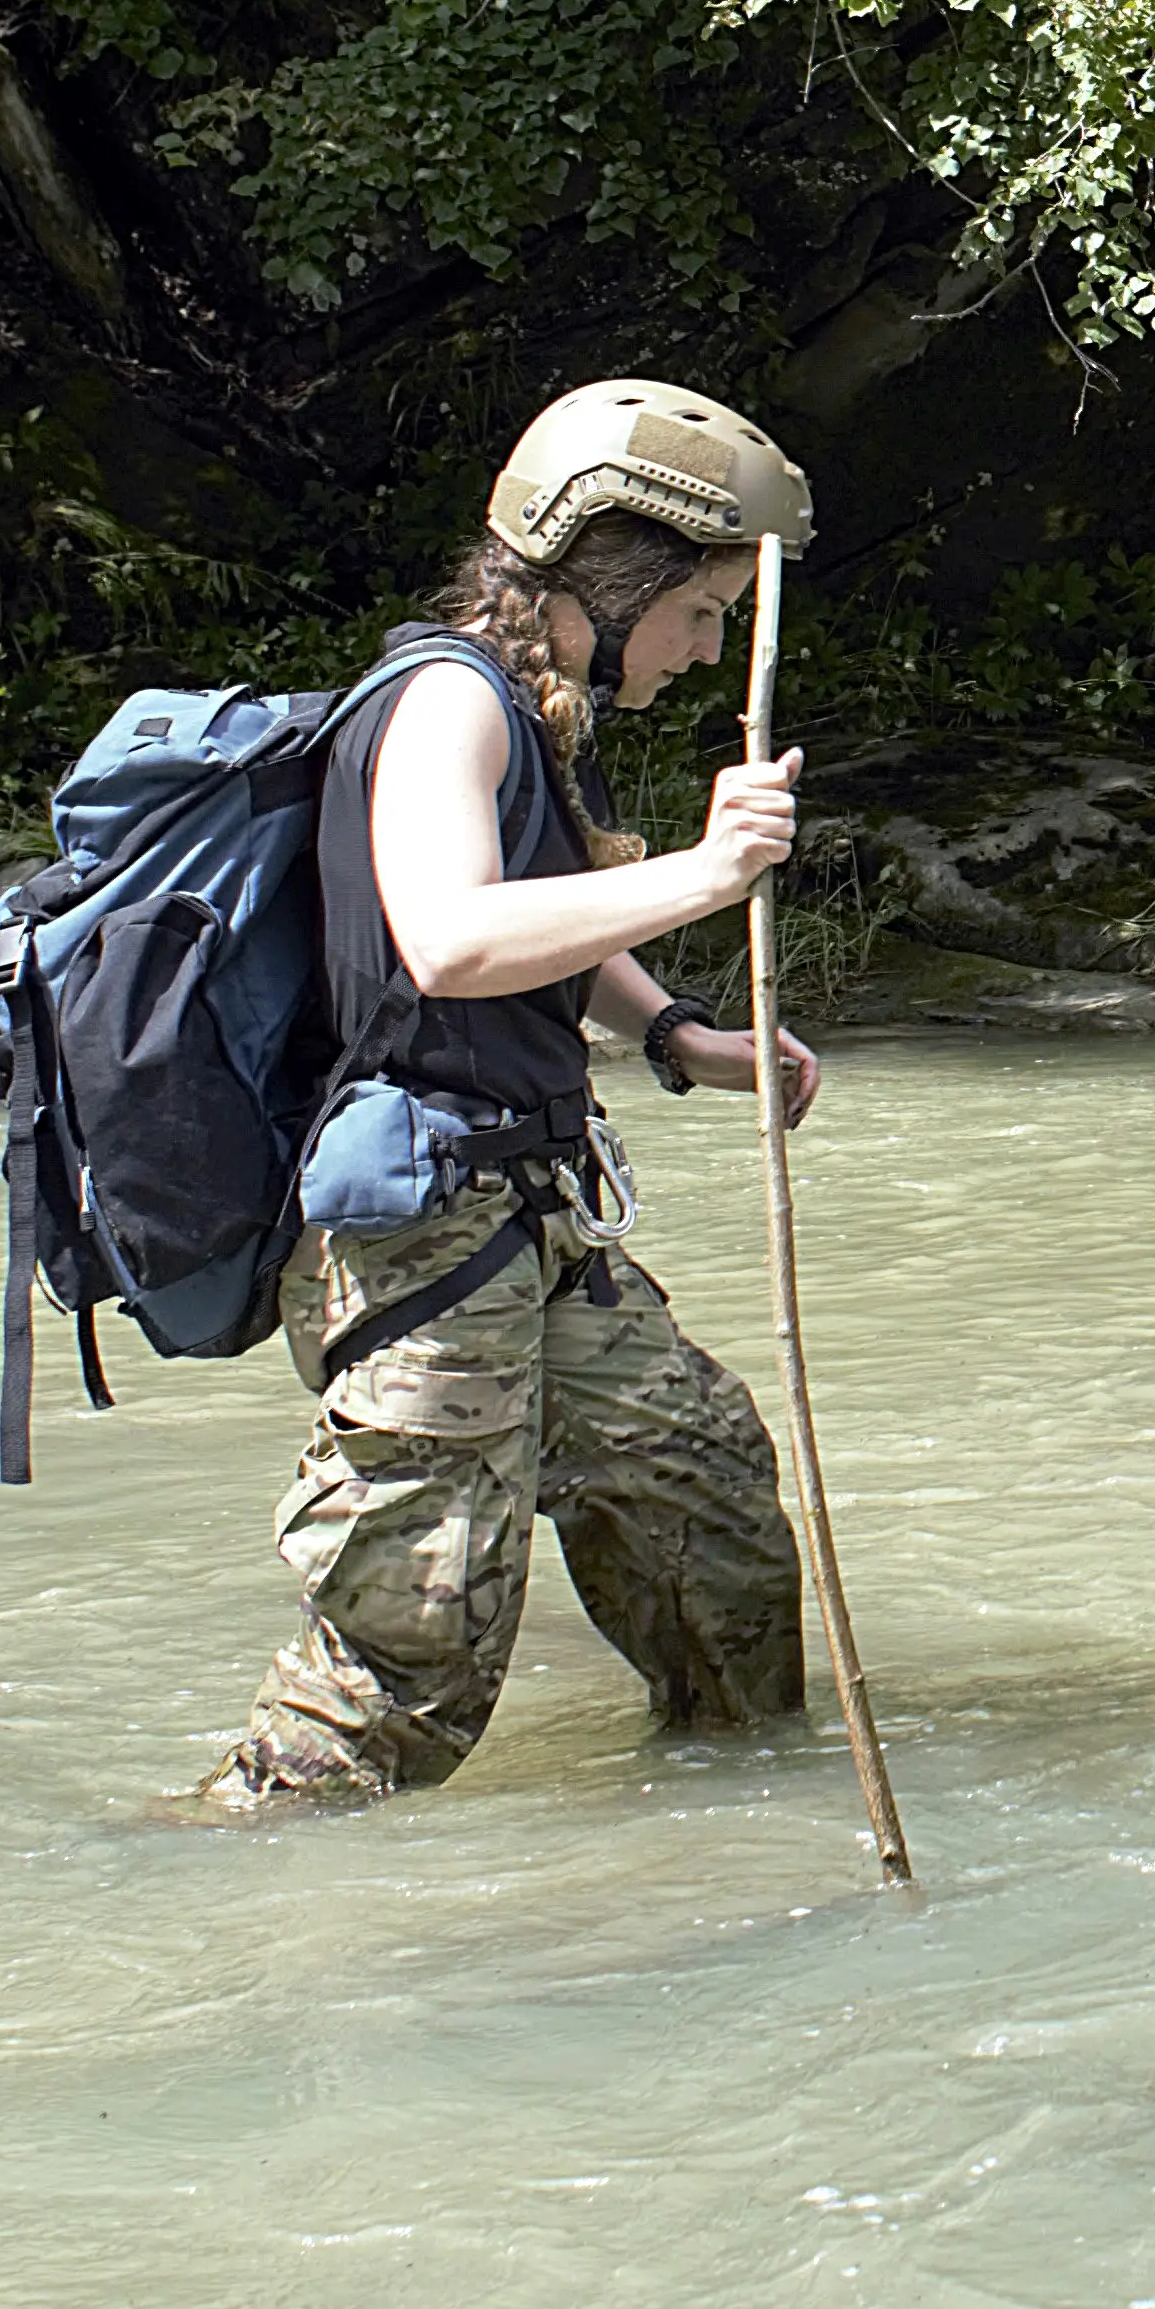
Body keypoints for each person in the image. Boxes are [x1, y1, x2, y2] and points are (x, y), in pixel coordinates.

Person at [195, 381, 832, 1811]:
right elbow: (452, 936)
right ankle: (210, 1893)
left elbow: (544, 919)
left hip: (527, 1221)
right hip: (425, 1240)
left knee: (708, 1511)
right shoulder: (444, 704)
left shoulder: (535, 715)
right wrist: (713, 878)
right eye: (701, 613)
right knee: (408, 1671)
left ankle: (737, 1834)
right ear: (619, 578)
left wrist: (675, 1031)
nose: (708, 647)